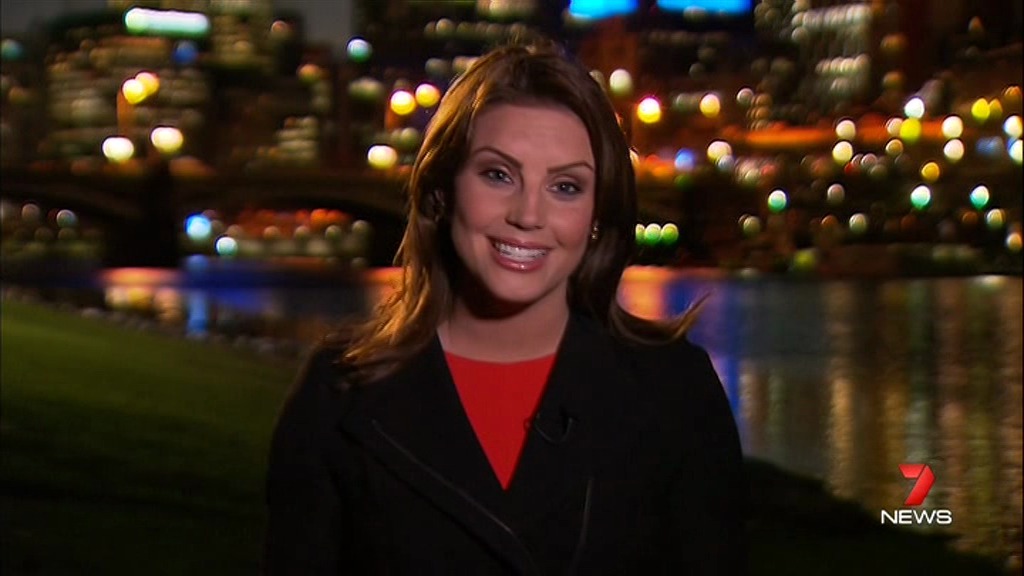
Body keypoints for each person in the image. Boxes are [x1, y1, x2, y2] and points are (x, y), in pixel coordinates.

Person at [264, 40, 745, 575]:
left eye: (566, 186)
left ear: (596, 216)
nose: (528, 214)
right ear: (442, 192)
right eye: (498, 175)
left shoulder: (674, 392)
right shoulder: (338, 395)